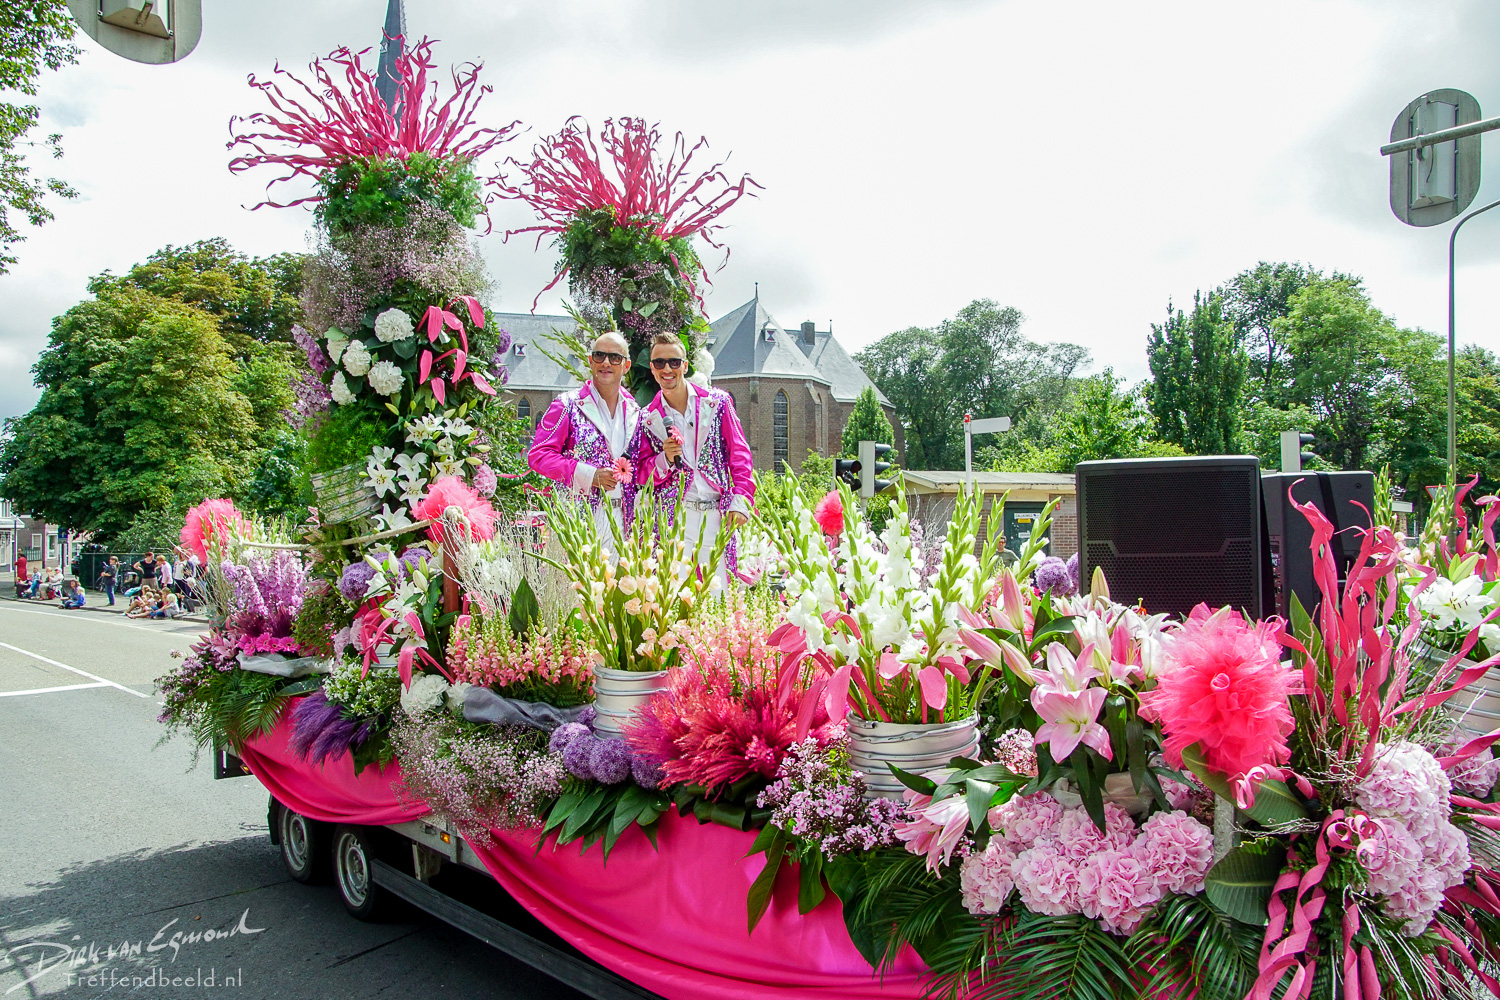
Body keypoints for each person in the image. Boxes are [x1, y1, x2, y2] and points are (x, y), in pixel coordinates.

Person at [635, 332, 754, 582]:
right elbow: (641, 473)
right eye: (659, 363)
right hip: (674, 518)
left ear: (685, 366)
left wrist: (741, 499)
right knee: (676, 597)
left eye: (674, 362)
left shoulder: (717, 402)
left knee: (719, 595)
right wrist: (664, 459)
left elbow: (739, 453)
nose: (667, 369)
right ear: (652, 370)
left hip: (718, 515)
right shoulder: (647, 417)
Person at [528, 331, 643, 542]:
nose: (606, 362)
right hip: (579, 522)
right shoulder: (567, 405)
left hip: (626, 525)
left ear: (626, 366)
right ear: (591, 361)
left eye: (615, 357)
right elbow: (539, 455)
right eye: (600, 356)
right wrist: (589, 476)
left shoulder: (636, 412)